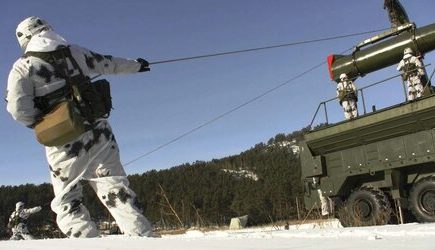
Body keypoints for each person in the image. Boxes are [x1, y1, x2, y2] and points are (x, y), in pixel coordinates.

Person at [6, 17, 153, 238]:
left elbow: (18, 109)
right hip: (99, 131)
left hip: (64, 139)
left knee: (68, 199)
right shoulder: (75, 52)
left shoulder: (23, 67)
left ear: (24, 38)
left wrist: (41, 123)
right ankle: (143, 238)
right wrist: (137, 65)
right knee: (116, 189)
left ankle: (85, 241)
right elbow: (108, 63)